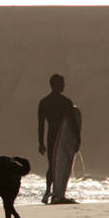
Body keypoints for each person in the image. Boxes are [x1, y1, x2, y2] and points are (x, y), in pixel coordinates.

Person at [38, 74, 81, 204]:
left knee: (52, 165)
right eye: (62, 83)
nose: (64, 86)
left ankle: (49, 191)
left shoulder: (44, 102)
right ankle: (58, 193)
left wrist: (41, 142)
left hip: (51, 137)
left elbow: (41, 125)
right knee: (62, 166)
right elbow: (73, 123)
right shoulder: (66, 102)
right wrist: (77, 139)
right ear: (56, 85)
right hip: (63, 139)